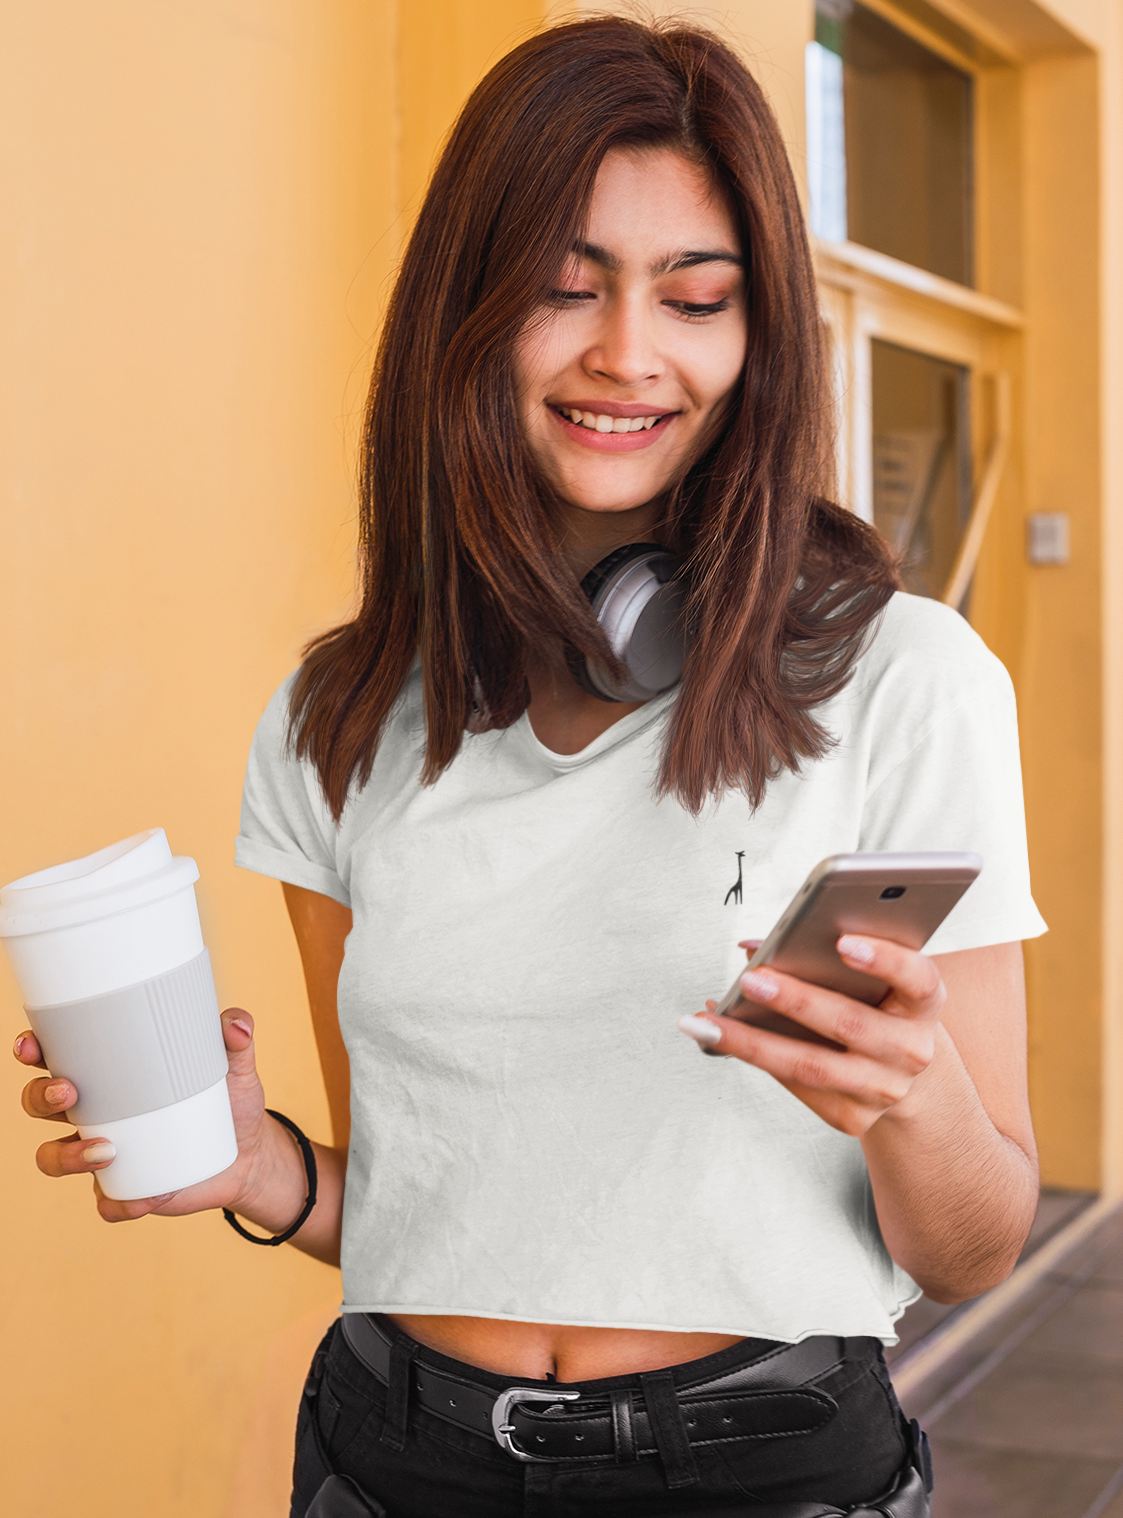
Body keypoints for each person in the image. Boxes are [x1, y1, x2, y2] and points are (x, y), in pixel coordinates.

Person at [16, 18, 1046, 1517]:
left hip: (757, 1472)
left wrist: (911, 1095)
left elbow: (974, 1243)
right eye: (565, 289)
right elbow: (415, 1198)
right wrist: (263, 1170)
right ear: (465, 307)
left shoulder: (906, 681)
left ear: (755, 342)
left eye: (694, 299)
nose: (628, 352)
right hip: (392, 1456)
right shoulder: (341, 711)